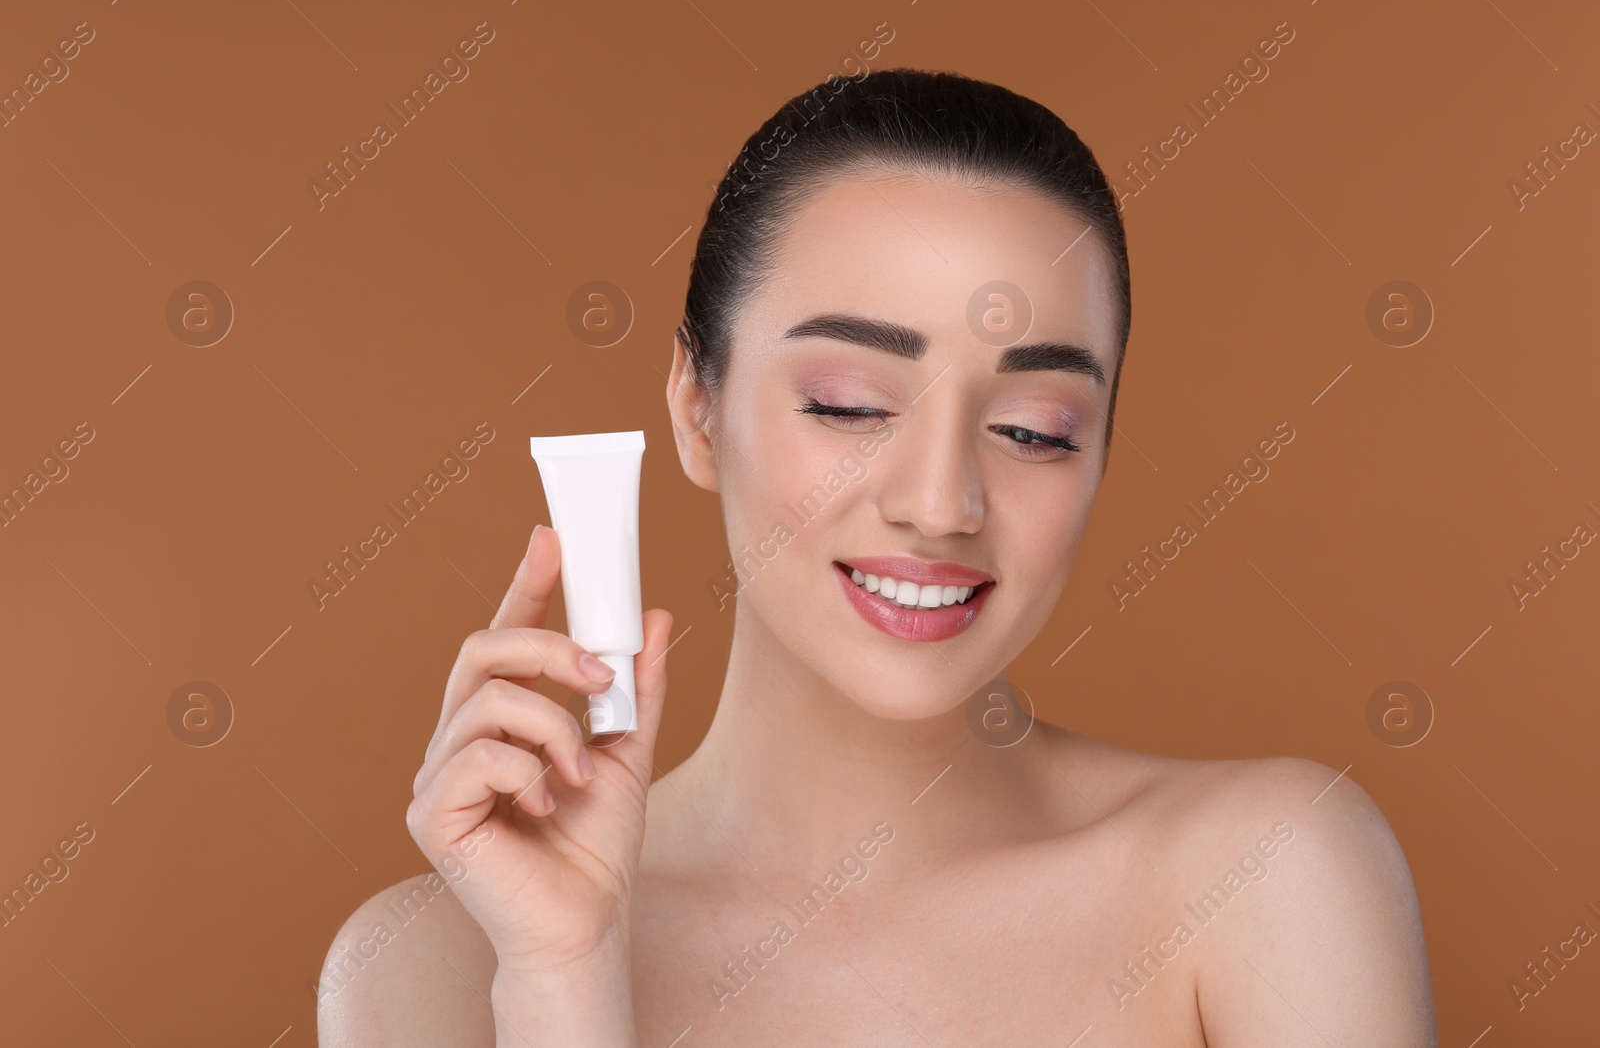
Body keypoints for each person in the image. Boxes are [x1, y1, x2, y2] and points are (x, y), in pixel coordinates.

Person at [319, 67, 1436, 1046]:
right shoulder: (433, 966)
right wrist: (562, 979)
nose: (941, 501)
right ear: (697, 410)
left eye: (1035, 428)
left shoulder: (1263, 877)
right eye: (850, 404)